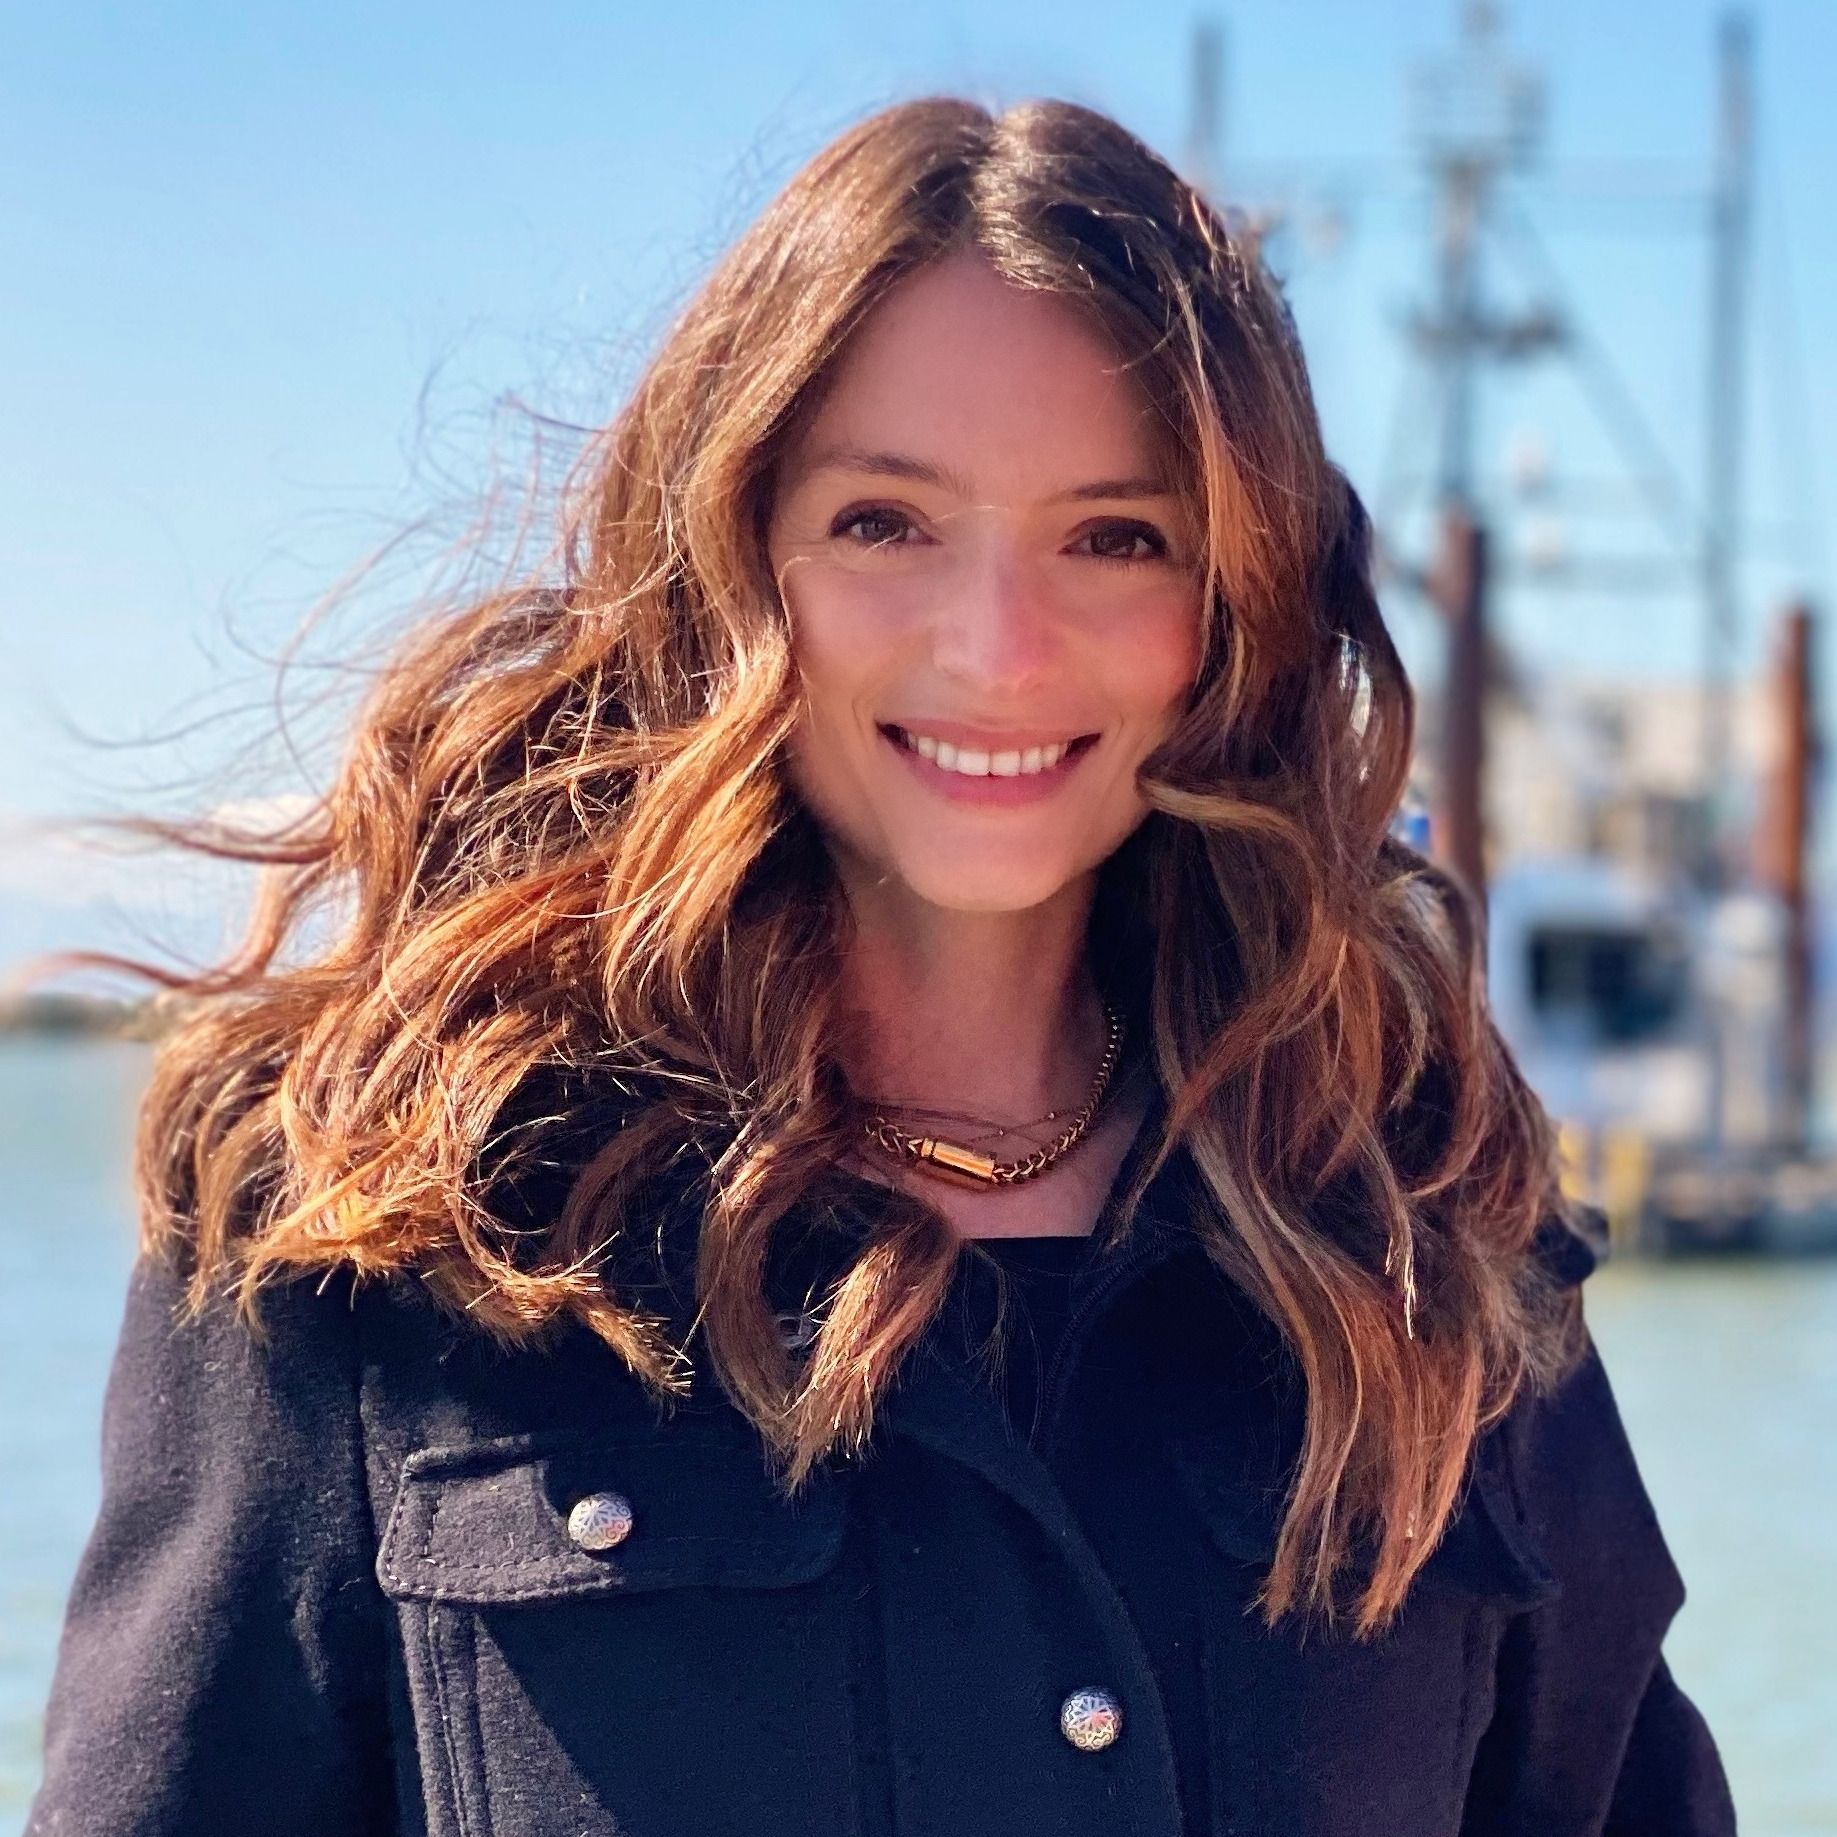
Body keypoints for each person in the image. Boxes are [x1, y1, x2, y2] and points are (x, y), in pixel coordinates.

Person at [24, 95, 1736, 1836]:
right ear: (727, 551)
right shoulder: (376, 1215)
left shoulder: (1420, 1217)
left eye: (1115, 536)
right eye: (882, 522)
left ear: (1235, 610)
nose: (996, 648)